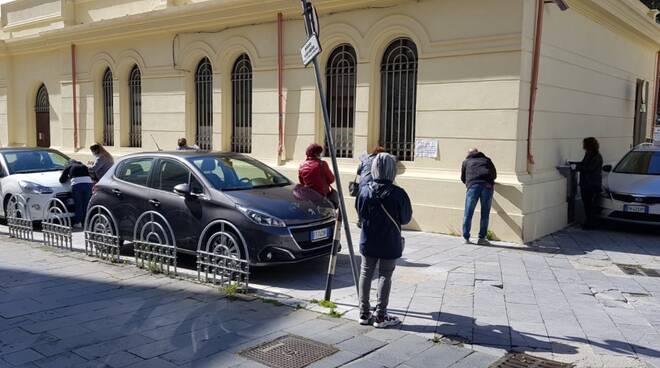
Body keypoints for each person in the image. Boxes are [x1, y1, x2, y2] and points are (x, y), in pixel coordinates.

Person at [356, 153, 412, 328]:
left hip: (368, 238)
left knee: (365, 273)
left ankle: (364, 313)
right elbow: (406, 218)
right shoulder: (398, 193)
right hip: (389, 239)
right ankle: (380, 315)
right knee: (385, 275)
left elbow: (360, 213)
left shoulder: (364, 190)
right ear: (392, 170)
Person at [460, 148, 497, 245]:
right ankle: (482, 238)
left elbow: (463, 178)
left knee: (468, 212)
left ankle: (466, 237)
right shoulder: (486, 160)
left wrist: (470, 184)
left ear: (469, 154)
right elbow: (494, 174)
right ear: (478, 152)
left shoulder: (466, 162)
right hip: (487, 186)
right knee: (485, 213)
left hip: (473, 186)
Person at [573, 137, 603, 229]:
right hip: (585, 184)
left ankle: (590, 224)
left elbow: (589, 168)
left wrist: (577, 168)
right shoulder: (588, 154)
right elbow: (583, 164)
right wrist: (574, 164)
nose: (583, 146)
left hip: (592, 184)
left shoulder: (596, 156)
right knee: (587, 204)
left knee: (591, 205)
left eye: (584, 144)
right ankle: (588, 222)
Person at [298, 143, 338, 207]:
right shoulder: (322, 164)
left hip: (309, 198)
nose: (320, 155)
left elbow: (302, 183)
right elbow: (331, 179)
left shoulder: (302, 165)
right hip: (322, 198)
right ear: (316, 154)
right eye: (319, 153)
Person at [59, 160, 93, 228]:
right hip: (88, 184)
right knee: (86, 204)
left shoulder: (69, 166)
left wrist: (69, 176)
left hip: (77, 185)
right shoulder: (84, 166)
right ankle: (87, 222)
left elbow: (62, 180)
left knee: (78, 204)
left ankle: (78, 222)